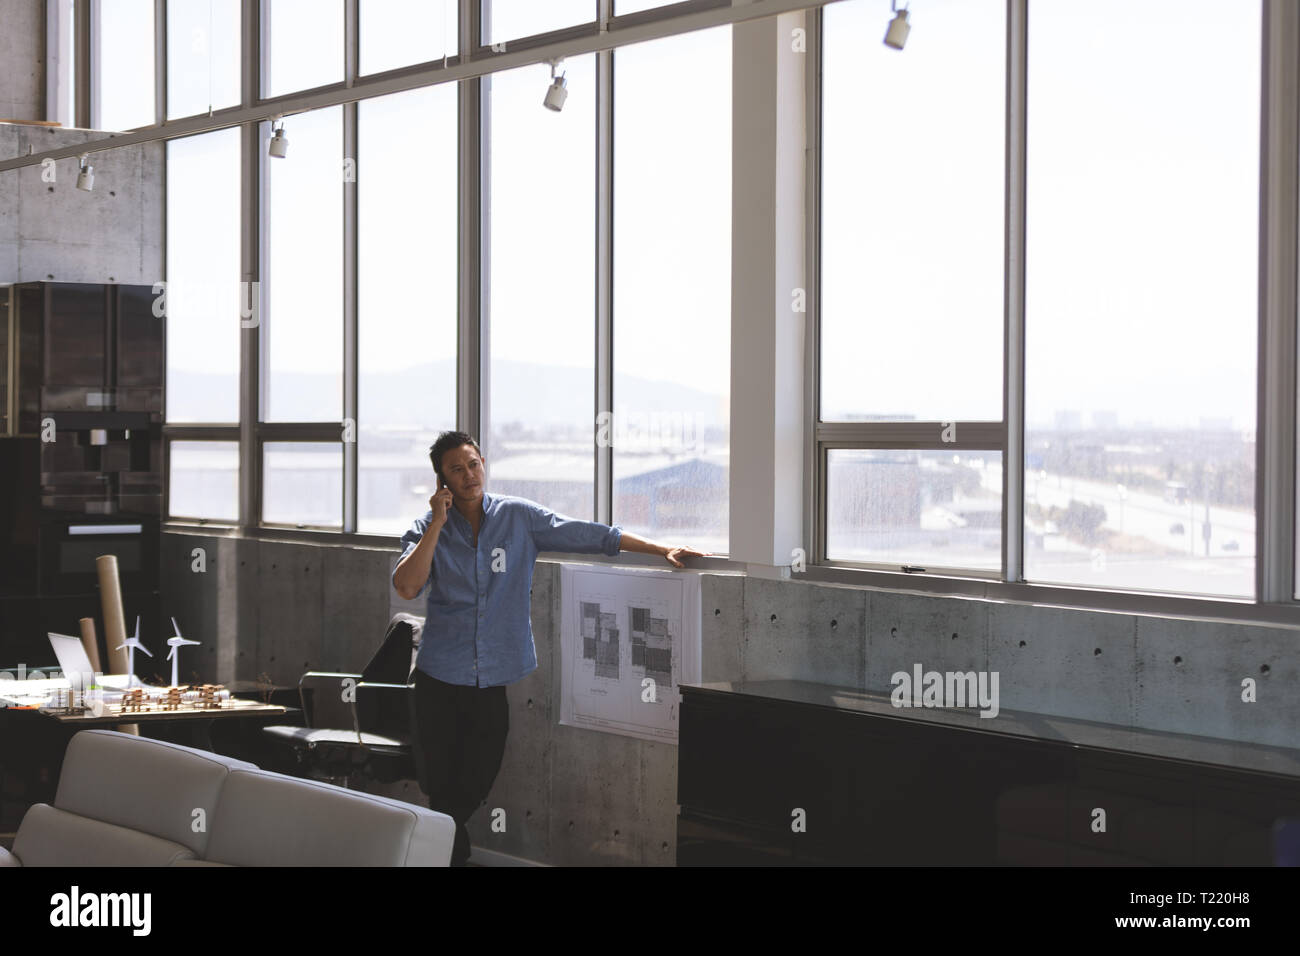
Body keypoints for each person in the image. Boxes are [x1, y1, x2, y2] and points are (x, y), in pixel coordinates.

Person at [392, 430, 706, 865]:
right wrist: (438, 525)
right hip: (438, 678)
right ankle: (447, 855)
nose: (469, 475)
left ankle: (434, 847)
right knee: (441, 783)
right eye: (456, 470)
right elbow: (407, 586)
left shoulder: (518, 518)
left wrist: (660, 547)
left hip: (492, 679)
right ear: (441, 481)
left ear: (483, 462)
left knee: (476, 779)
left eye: (473, 464)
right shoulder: (427, 529)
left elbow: (589, 535)